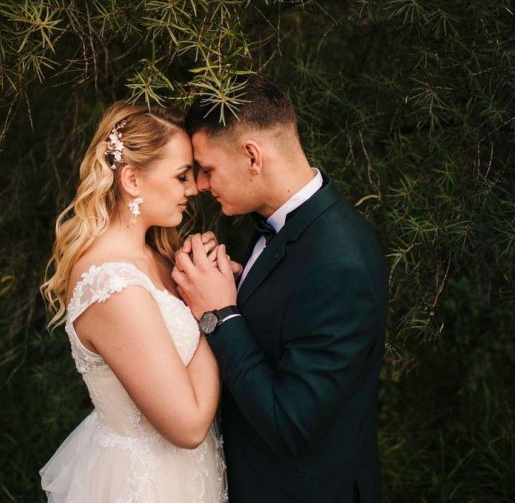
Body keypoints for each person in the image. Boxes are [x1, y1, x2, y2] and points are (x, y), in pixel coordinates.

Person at [172, 75, 387, 502]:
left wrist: (220, 314)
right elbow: (286, 317)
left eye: (207, 169)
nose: (200, 186)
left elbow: (291, 425)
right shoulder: (286, 224)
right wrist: (233, 283)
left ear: (252, 156)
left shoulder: (339, 264)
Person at [38, 102, 228, 502]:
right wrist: (213, 311)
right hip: (147, 484)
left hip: (187, 477)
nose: (193, 188)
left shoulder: (153, 257)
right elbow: (189, 426)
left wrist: (203, 274)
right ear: (132, 179)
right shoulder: (113, 286)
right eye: (181, 176)